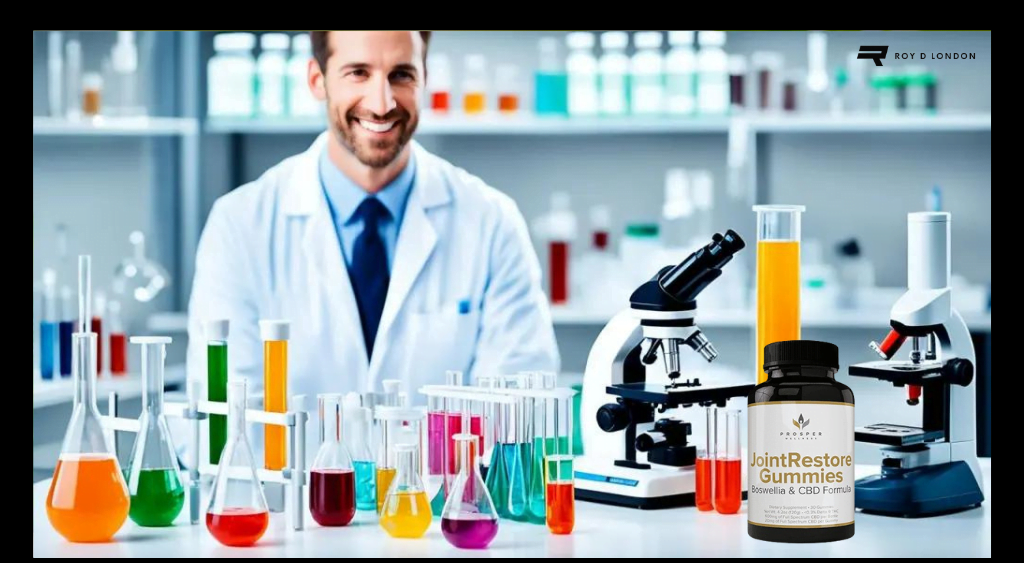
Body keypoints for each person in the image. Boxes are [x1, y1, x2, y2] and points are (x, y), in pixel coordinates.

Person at [187, 31, 559, 409]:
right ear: (317, 80)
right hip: (288, 453)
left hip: (451, 453)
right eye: (358, 73)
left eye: (401, 75)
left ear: (425, 78)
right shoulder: (240, 225)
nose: (382, 104)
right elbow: (226, 414)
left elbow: (518, 404)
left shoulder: (491, 222)